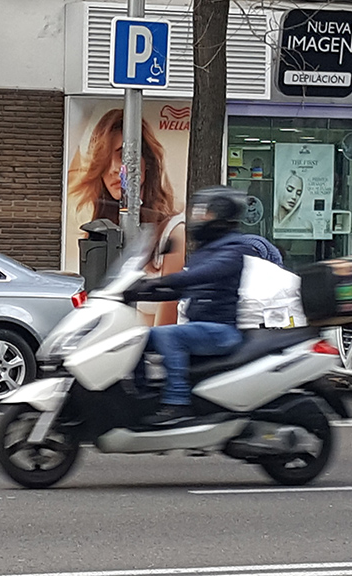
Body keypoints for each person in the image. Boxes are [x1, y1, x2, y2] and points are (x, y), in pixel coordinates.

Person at [124, 187, 251, 425]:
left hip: (221, 330)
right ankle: (141, 396)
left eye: (206, 213)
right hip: (201, 326)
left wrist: (162, 279)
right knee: (135, 338)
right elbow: (183, 289)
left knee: (169, 335)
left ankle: (177, 402)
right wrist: (137, 291)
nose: (199, 218)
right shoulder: (207, 249)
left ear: (222, 217)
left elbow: (202, 275)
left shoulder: (235, 248)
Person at [68, 108, 185, 326]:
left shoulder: (172, 231)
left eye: (124, 155)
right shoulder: (102, 230)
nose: (114, 169)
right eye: (105, 160)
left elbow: (166, 323)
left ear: (146, 161)